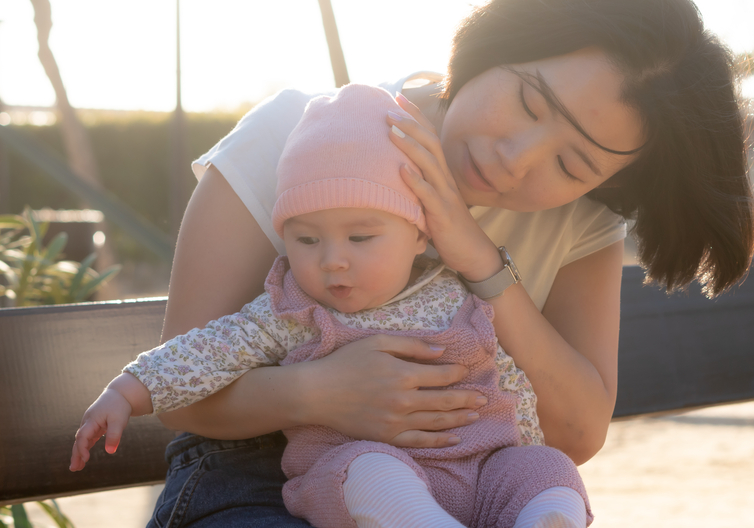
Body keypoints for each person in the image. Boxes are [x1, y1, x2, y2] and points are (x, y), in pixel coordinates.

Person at [132, 0, 754, 525]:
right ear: (499, 42)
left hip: (471, 488)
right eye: (529, 102)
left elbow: (574, 433)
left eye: (571, 165)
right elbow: (180, 398)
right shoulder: (294, 134)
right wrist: (318, 393)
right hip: (255, 478)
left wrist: (480, 260)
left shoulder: (579, 221)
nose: (516, 156)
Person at [71, 84, 591, 528]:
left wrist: (521, 445)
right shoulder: (290, 309)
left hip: (478, 468)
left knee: (547, 471)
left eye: (361, 237)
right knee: (368, 469)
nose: (333, 261)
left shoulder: (455, 294)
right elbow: (206, 351)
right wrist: (129, 390)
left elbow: (509, 381)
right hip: (362, 476)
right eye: (306, 240)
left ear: (419, 236)